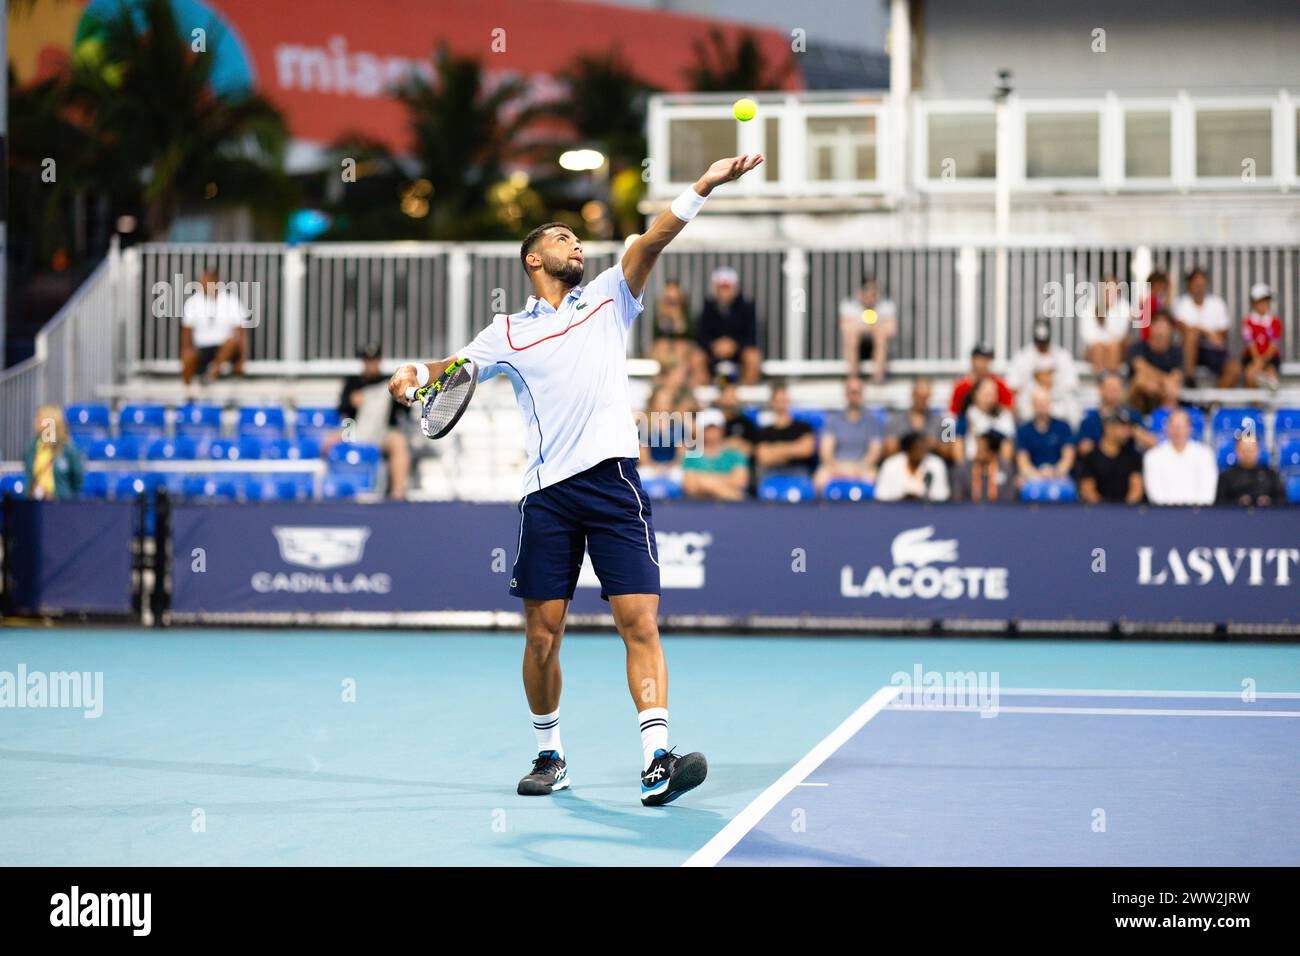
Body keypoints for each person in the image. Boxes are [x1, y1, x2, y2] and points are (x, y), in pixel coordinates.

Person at [389, 151, 764, 805]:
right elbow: (449, 369)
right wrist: (412, 377)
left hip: (614, 482)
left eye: (576, 238)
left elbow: (652, 240)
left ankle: (657, 760)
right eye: (563, 238)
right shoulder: (507, 331)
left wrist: (702, 186)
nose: (576, 244)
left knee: (639, 622)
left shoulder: (609, 298)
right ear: (535, 259)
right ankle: (549, 753)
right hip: (547, 497)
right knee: (541, 635)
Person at [325, 343, 411, 500]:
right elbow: (343, 411)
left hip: (382, 430)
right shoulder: (353, 383)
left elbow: (404, 410)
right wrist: (351, 401)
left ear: (379, 361)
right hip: (354, 429)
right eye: (367, 360)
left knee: (398, 441)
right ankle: (327, 490)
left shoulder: (391, 382)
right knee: (328, 441)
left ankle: (397, 493)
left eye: (374, 359)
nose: (371, 363)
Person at [814, 377, 885, 492]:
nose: (854, 396)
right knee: (820, 478)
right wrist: (838, 469)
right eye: (851, 392)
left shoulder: (872, 421)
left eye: (857, 392)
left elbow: (874, 452)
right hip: (836, 466)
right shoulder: (833, 420)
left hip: (863, 467)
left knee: (875, 477)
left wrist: (858, 468)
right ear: (846, 394)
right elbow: (826, 452)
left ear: (862, 394)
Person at [1173, 267, 1239, 386]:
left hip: (1212, 351)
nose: (1199, 287)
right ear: (1189, 285)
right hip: (1188, 351)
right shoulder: (1181, 303)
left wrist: (1200, 331)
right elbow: (1183, 329)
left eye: (1202, 284)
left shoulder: (1217, 303)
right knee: (1191, 337)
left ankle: (1215, 403)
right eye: (1196, 284)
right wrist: (1208, 333)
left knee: (1234, 368)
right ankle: (1190, 380)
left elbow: (1223, 336)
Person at [181, 268, 248, 385]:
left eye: (206, 282)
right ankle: (188, 394)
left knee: (231, 341)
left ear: (216, 282)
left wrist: (242, 359)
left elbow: (240, 332)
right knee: (188, 356)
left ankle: (212, 374)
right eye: (202, 282)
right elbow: (186, 332)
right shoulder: (193, 302)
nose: (203, 285)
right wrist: (185, 354)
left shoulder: (231, 301)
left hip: (226, 349)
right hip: (202, 349)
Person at [696, 266, 761, 384]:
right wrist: (715, 345)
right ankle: (702, 393)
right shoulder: (707, 307)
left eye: (727, 288)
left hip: (739, 353)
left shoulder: (747, 308)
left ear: (735, 288)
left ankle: (746, 394)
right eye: (721, 288)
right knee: (696, 357)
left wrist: (734, 345)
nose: (724, 292)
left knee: (753, 357)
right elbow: (701, 336)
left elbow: (751, 337)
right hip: (713, 354)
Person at [1142, 407, 1217, 505]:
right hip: (1163, 514)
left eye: (1181, 426)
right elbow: (1155, 494)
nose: (1177, 431)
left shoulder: (1205, 454)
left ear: (1189, 428)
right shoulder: (1152, 456)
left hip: (1198, 514)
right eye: (1173, 426)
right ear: (1167, 428)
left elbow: (1207, 493)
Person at [1075, 371, 1154, 459]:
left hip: (1128, 466)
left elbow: (1152, 443)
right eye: (1110, 388)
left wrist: (1132, 431)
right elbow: (1082, 449)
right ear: (1100, 390)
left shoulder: (1133, 416)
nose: (1114, 392)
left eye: (1117, 388)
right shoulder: (1090, 421)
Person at [752, 381, 817, 483]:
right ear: (772, 402)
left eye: (784, 399)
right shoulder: (765, 431)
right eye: (778, 400)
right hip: (772, 474)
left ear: (788, 400)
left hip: (799, 474)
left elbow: (807, 449)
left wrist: (775, 450)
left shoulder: (803, 427)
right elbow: (763, 457)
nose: (781, 403)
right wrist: (794, 449)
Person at [1005, 319, 1079, 406]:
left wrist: (1049, 385)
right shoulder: (1022, 357)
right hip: (1029, 407)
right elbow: (1012, 386)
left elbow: (1071, 385)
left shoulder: (1063, 356)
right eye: (1039, 342)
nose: (1042, 345)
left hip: (1056, 405)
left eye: (1044, 342)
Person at [1077, 410, 1145, 504]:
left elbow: (1136, 489)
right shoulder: (1091, 457)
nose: (1127, 431)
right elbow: (1088, 490)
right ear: (1107, 428)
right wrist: (1106, 512)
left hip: (1128, 513)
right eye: (1122, 426)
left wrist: (1125, 511)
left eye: (1128, 427)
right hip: (1097, 513)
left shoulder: (1133, 456)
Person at [839, 278, 898, 383]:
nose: (870, 298)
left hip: (877, 347)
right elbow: (845, 329)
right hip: (858, 347)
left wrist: (863, 327)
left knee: (880, 337)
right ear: (860, 293)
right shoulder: (850, 305)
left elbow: (891, 330)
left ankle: (878, 378)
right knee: (852, 338)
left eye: (873, 294)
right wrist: (874, 327)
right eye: (867, 294)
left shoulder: (885, 306)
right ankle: (853, 378)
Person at [682, 410, 748, 501]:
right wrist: (723, 489)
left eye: (714, 429)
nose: (711, 433)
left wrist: (704, 481)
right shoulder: (691, 456)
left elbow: (739, 482)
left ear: (722, 430)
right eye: (707, 429)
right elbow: (690, 486)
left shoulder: (735, 454)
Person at [650, 281, 707, 388]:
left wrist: (677, 319)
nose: (672, 303)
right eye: (669, 300)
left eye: (675, 300)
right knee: (662, 347)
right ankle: (668, 381)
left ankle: (677, 380)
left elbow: (689, 334)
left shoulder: (686, 312)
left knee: (681, 348)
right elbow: (658, 336)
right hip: (666, 349)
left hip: (684, 349)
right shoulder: (660, 312)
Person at [1126, 312, 1184, 415]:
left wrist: (1158, 384)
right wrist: (1163, 381)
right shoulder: (1138, 346)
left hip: (1162, 392)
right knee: (1141, 380)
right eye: (1157, 325)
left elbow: (1177, 376)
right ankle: (1134, 418)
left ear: (1171, 330)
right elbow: (1140, 367)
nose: (1160, 330)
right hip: (1137, 394)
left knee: (1172, 387)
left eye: (1164, 326)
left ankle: (1164, 422)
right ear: (1150, 327)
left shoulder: (1176, 351)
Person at [23, 406, 85, 500]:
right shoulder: (32, 449)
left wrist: (63, 495)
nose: (36, 422)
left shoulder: (68, 450)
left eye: (40, 420)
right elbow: (28, 477)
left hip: (61, 506)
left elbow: (78, 482)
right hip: (35, 504)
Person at [1016, 387, 1076, 482]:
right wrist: (1037, 475)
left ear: (1049, 404)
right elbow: (1023, 462)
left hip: (1059, 476)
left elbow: (1068, 458)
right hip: (1032, 478)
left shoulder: (1063, 427)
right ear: (1032, 405)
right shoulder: (1023, 430)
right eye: (1038, 403)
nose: (1041, 407)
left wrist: (1054, 472)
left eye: (1044, 403)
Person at [1078, 276, 1133, 373]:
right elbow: (1087, 335)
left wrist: (1109, 310)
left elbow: (1120, 333)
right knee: (1098, 348)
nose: (1109, 293)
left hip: (1116, 346)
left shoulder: (1124, 307)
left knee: (1113, 347)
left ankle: (1111, 380)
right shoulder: (1090, 307)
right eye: (1106, 290)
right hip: (1096, 348)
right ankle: (1103, 381)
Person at [874, 432, 950, 502]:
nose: (921, 453)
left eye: (924, 449)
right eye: (917, 449)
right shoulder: (890, 465)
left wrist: (921, 498)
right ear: (908, 450)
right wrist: (903, 498)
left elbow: (942, 495)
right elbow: (881, 494)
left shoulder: (936, 464)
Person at [956, 377, 1016, 464]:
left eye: (992, 394)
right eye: (986, 394)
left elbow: (1009, 438)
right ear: (975, 394)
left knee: (1007, 444)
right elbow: (956, 439)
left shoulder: (1004, 415)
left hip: (997, 461)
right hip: (972, 460)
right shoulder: (967, 414)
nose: (989, 399)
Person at [887, 377, 947, 460]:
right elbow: (889, 448)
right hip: (902, 465)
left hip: (930, 464)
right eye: (919, 396)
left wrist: (934, 444)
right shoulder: (897, 420)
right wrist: (908, 444)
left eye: (926, 397)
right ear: (913, 394)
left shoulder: (940, 421)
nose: (922, 401)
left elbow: (949, 450)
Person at [1216, 436, 1286, 506]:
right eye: (1244, 450)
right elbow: (1219, 504)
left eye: (1251, 450)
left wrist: (1268, 501)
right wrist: (1238, 502)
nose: (1247, 454)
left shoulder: (1271, 474)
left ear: (1258, 450)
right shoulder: (1226, 477)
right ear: (1237, 451)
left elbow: (1283, 501)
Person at [948, 343, 1013, 418]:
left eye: (986, 359)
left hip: (994, 425)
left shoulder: (999, 384)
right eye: (979, 359)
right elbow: (953, 413)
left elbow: (1009, 410)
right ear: (972, 360)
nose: (982, 363)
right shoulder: (961, 387)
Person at [951, 431, 1016, 502]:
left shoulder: (1005, 469)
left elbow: (1009, 498)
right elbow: (957, 498)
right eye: (977, 448)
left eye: (981, 449)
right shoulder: (964, 468)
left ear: (992, 453)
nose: (977, 452)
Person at [1241, 283, 1282, 391]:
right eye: (1260, 301)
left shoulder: (1275, 321)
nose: (1264, 304)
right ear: (1254, 303)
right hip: (1252, 358)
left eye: (1266, 300)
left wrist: (1261, 362)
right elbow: (1250, 345)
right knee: (1250, 374)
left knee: (1271, 374)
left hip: (1270, 358)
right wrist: (1257, 362)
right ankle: (1256, 406)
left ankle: (1269, 406)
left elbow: (1273, 346)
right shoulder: (1248, 321)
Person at [1136, 270, 1170, 341]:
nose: (1163, 287)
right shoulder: (1150, 301)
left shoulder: (1156, 301)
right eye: (1161, 284)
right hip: (1151, 341)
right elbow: (1145, 329)